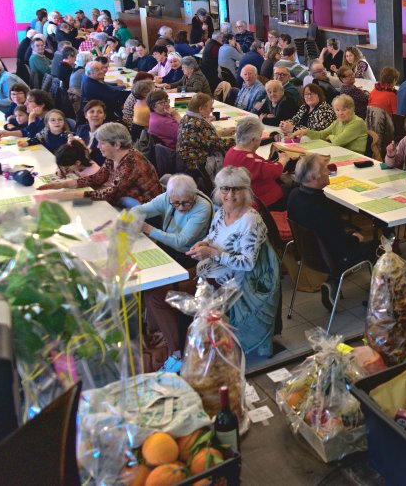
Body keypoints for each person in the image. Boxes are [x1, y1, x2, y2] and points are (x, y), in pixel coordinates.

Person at [188, 167, 280, 356]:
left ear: (246, 191)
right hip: (216, 268)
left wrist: (212, 253)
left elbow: (247, 263)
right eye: (225, 189)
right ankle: (198, 343)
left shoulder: (250, 221)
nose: (230, 194)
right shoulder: (221, 212)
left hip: (240, 278)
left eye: (236, 189)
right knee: (178, 287)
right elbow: (213, 235)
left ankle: (202, 347)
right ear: (218, 190)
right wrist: (204, 243)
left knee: (182, 291)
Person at [131, 174, 212, 370]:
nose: (181, 207)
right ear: (169, 197)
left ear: (194, 195)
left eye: (186, 203)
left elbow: (181, 241)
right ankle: (158, 334)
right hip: (170, 254)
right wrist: (134, 216)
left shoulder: (202, 207)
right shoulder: (167, 198)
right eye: (176, 203)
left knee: (154, 294)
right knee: (141, 281)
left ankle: (175, 350)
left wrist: (148, 228)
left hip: (190, 261)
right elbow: (140, 209)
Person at [288, 153, 380, 308]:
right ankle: (381, 295)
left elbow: (330, 234)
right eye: (324, 169)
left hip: (308, 253)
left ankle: (333, 282)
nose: (329, 172)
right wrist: (354, 238)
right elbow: (340, 244)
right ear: (313, 177)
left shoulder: (294, 195)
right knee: (379, 247)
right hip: (331, 258)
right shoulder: (321, 207)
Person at [62, 122, 161, 206]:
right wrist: (64, 184)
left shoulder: (131, 164)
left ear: (117, 145)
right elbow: (98, 177)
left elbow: (110, 195)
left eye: (102, 143)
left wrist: (69, 195)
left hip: (143, 212)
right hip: (125, 202)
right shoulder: (113, 156)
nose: (98, 146)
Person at [224, 116, 287, 210]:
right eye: (260, 137)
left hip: (243, 196)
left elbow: (261, 166)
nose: (260, 139)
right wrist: (283, 160)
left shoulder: (232, 151)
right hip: (261, 202)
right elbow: (275, 172)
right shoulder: (249, 159)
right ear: (253, 140)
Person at [177, 92, 232, 178]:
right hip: (198, 166)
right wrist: (235, 141)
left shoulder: (186, 117)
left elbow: (204, 138)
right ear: (201, 109)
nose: (211, 111)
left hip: (185, 162)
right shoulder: (199, 123)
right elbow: (218, 145)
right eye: (211, 108)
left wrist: (223, 132)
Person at [302, 94, 368, 154]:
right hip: (340, 153)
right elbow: (322, 134)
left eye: (344, 110)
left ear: (351, 109)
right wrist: (306, 132)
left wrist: (330, 137)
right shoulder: (338, 122)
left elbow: (338, 141)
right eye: (337, 110)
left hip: (355, 156)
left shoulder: (357, 123)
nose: (340, 113)